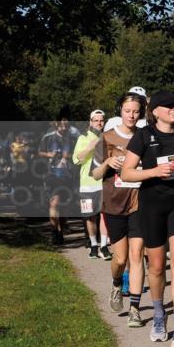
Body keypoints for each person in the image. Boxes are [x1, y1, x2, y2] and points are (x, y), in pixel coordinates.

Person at [121, 91, 174, 347]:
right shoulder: (143, 136)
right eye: (168, 106)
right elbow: (127, 172)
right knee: (156, 267)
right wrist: (154, 172)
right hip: (152, 204)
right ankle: (159, 314)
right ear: (155, 111)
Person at [92, 93, 146, 326]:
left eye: (136, 111)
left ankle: (135, 308)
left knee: (137, 256)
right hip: (114, 202)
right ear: (120, 112)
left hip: (140, 202)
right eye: (127, 111)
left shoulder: (145, 137)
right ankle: (116, 284)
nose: (132, 115)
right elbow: (93, 174)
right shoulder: (106, 138)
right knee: (121, 258)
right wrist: (107, 164)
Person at [38, 111, 78, 245]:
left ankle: (62, 227)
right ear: (56, 124)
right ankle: (55, 232)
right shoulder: (48, 138)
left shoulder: (73, 138)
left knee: (66, 206)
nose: (64, 128)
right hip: (52, 175)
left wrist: (69, 156)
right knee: (54, 203)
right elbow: (39, 152)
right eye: (61, 125)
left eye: (66, 125)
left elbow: (79, 154)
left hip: (68, 175)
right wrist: (48, 154)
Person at [72, 110, 108, 259]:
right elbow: (76, 159)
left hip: (104, 182)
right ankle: (94, 245)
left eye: (101, 120)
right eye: (96, 120)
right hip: (87, 184)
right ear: (90, 122)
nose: (99, 123)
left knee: (105, 215)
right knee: (90, 216)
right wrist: (90, 147)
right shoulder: (83, 138)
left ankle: (104, 246)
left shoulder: (108, 137)